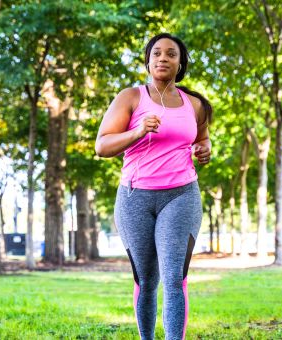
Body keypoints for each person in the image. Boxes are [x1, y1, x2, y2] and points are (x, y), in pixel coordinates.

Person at [95, 33, 213, 340]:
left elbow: (201, 138)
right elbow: (102, 146)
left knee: (175, 278)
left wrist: (205, 150)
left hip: (181, 195)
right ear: (148, 61)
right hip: (135, 197)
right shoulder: (131, 97)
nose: (163, 58)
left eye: (171, 54)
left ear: (180, 63)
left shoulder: (195, 104)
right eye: (156, 53)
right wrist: (137, 132)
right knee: (146, 279)